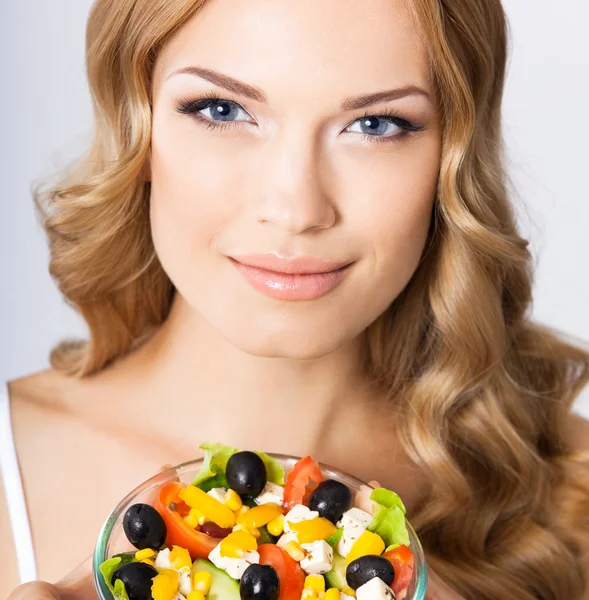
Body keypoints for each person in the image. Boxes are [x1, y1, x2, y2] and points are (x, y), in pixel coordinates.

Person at [2, 0, 589, 598]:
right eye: (222, 109)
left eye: (375, 124)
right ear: (139, 125)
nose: (296, 210)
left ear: (450, 159)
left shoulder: (574, 479)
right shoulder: (10, 473)